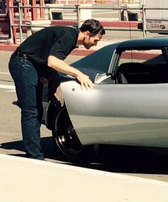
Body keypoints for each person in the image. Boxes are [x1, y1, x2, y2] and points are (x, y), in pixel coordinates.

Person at [8, 19, 104, 159]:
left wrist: (46, 73)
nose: (95, 44)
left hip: (33, 64)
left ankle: (35, 152)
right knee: (30, 110)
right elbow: (53, 61)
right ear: (87, 33)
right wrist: (79, 74)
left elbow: (48, 57)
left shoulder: (70, 35)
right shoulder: (69, 36)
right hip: (23, 62)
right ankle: (34, 156)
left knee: (38, 111)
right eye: (95, 40)